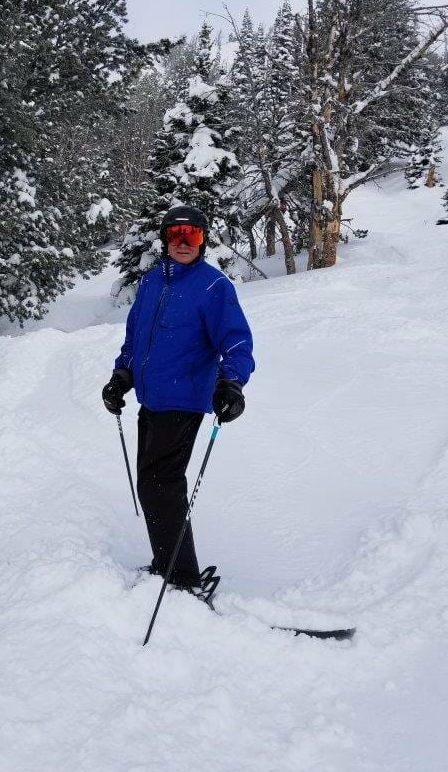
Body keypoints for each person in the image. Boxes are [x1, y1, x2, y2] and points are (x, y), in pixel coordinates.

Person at [102, 204, 254, 603]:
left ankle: (181, 576)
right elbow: (135, 339)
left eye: (193, 235)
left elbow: (237, 341)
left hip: (183, 399)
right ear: (165, 240)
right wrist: (122, 376)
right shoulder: (151, 282)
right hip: (151, 398)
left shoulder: (213, 286)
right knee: (151, 484)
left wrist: (232, 383)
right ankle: (166, 563)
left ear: (203, 241)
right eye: (176, 235)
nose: (184, 243)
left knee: (161, 485)